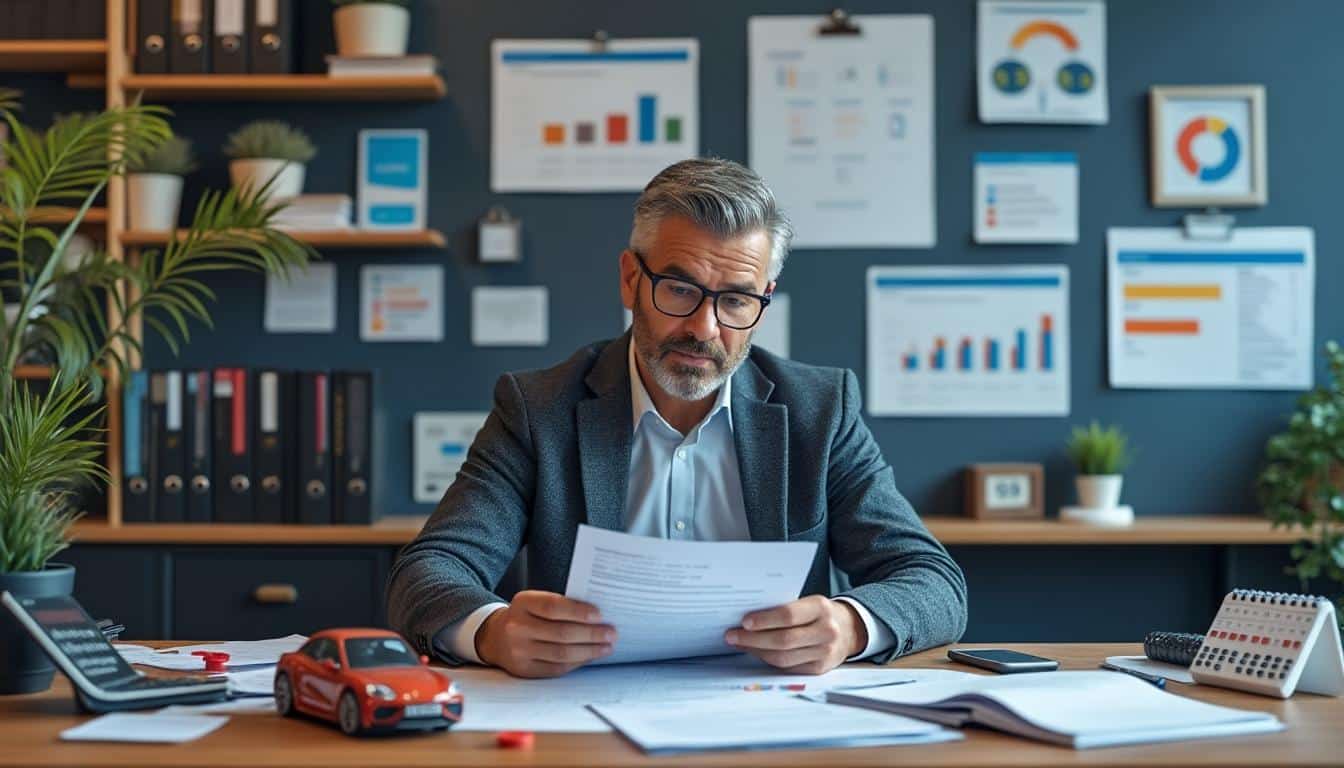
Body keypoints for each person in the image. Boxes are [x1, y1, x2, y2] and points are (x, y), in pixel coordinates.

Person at [388, 158, 967, 678]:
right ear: (631, 279)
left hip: (774, 721)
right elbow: (429, 570)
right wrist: (490, 632)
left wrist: (849, 625)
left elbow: (932, 581)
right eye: (680, 289)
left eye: (736, 299)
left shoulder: (818, 410)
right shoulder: (540, 409)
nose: (704, 329)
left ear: (764, 299)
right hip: (583, 722)